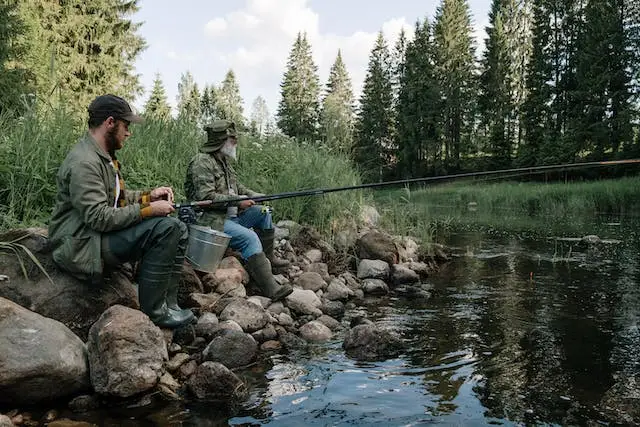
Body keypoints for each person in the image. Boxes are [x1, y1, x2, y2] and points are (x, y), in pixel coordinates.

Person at [48, 94, 195, 329]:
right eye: (125, 126)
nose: (128, 133)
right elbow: (99, 218)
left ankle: (170, 304)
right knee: (166, 228)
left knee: (179, 228)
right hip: (82, 244)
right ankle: (155, 313)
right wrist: (148, 210)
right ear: (110, 123)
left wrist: (149, 196)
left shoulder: (103, 157)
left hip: (94, 236)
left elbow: (115, 199)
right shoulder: (85, 162)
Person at [184, 119, 293, 301]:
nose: (236, 142)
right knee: (251, 238)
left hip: (231, 218)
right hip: (211, 221)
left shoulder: (224, 161)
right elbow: (205, 197)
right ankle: (270, 288)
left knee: (264, 212)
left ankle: (268, 259)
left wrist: (258, 196)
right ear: (220, 141)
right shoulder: (202, 163)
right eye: (232, 139)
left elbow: (238, 188)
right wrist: (237, 202)